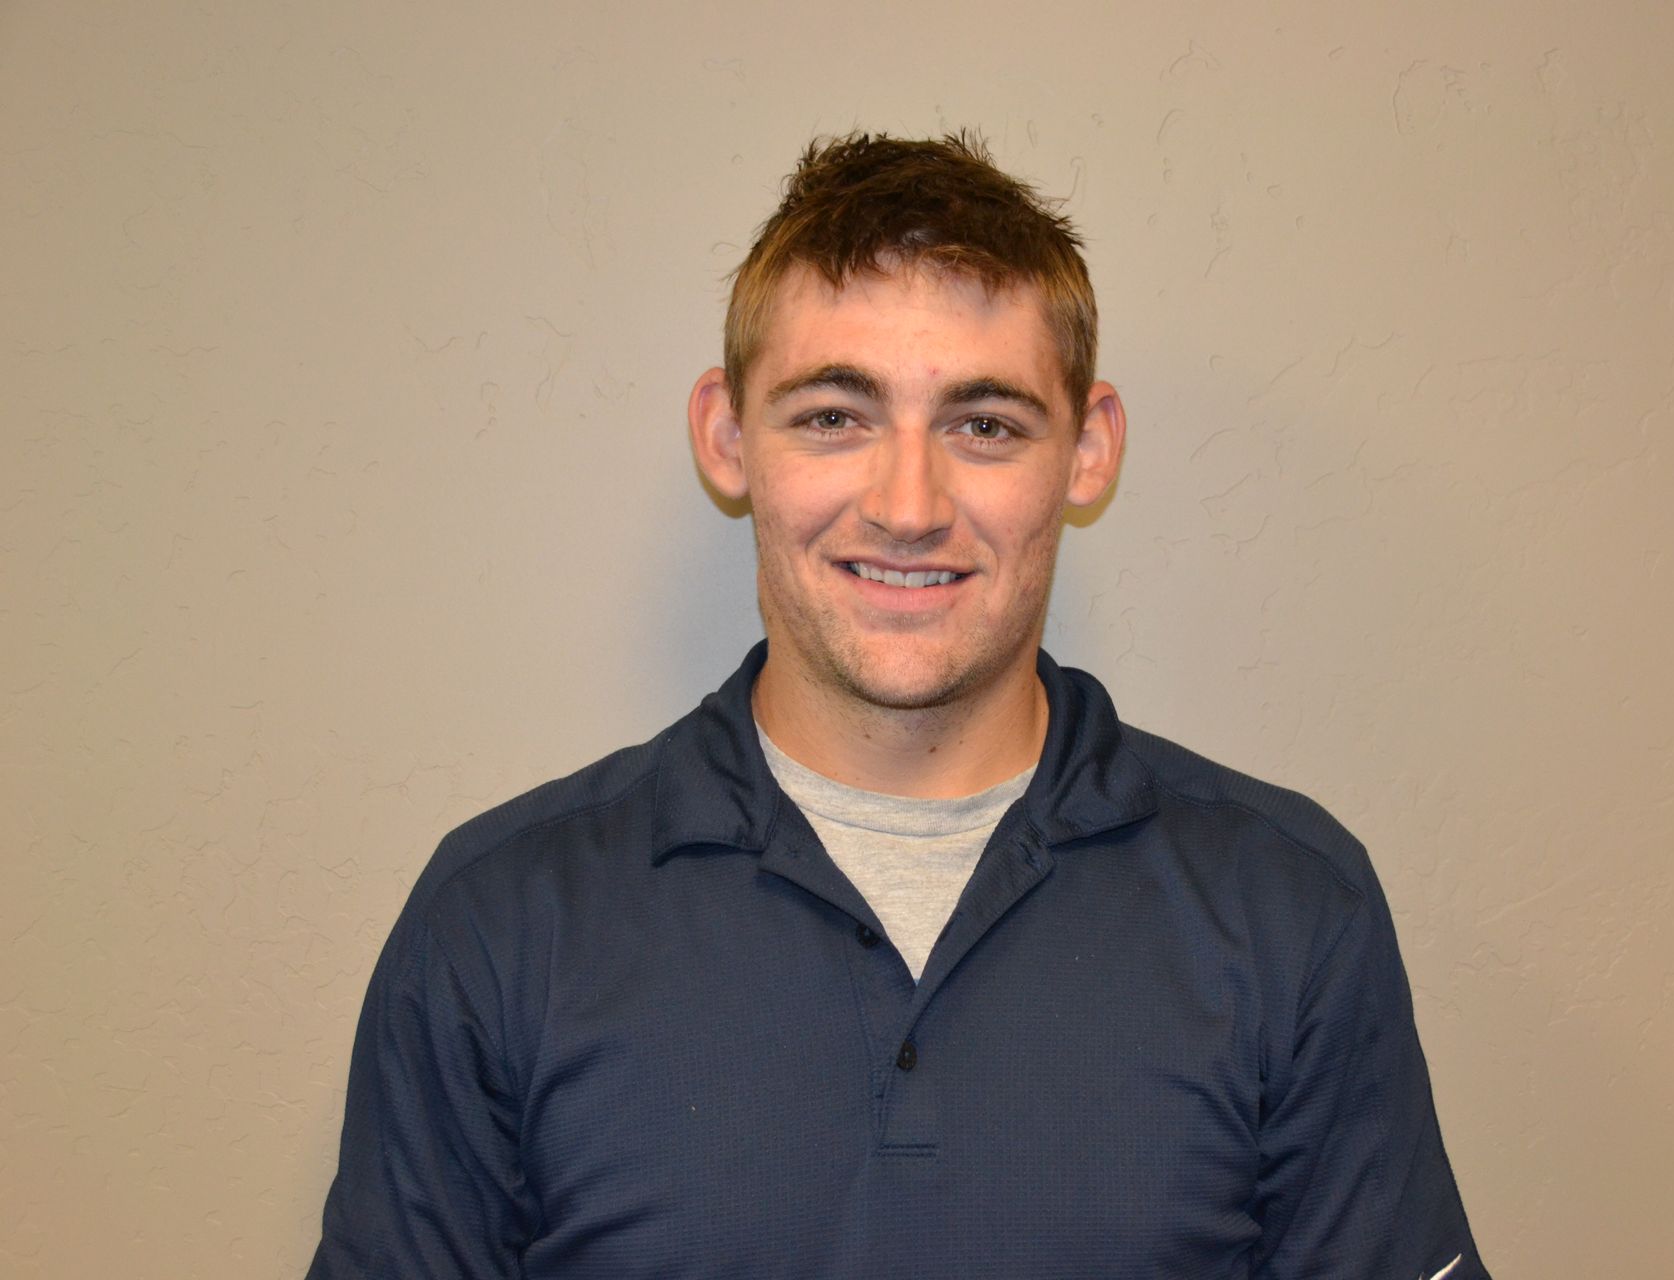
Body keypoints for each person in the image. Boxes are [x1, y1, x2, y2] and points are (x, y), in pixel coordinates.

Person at [307, 132, 1490, 1279]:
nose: (909, 503)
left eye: (985, 424)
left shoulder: (1287, 910)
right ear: (729, 436)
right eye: (835, 415)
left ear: (1088, 448)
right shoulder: (503, 922)